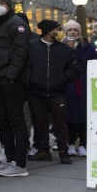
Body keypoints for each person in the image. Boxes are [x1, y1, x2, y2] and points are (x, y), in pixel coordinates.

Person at [0, 0, 30, 177]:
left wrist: (11, 77)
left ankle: (20, 164)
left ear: (9, 5)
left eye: (2, 3)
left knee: (16, 120)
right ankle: (9, 159)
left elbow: (21, 53)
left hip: (11, 81)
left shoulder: (17, 24)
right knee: (1, 121)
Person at [26, 20, 78, 164]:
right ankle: (43, 151)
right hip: (36, 92)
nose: (60, 31)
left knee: (60, 122)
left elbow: (74, 68)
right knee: (40, 123)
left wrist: (62, 79)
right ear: (49, 31)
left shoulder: (65, 49)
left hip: (58, 91)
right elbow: (26, 66)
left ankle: (63, 151)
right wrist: (32, 80)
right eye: (57, 29)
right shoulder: (32, 47)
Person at [63, 20, 97, 157]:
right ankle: (70, 143)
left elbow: (95, 62)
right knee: (69, 114)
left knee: (84, 114)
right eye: (70, 30)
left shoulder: (87, 46)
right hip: (68, 83)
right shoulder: (61, 46)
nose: (73, 32)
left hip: (83, 82)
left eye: (75, 30)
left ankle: (83, 144)